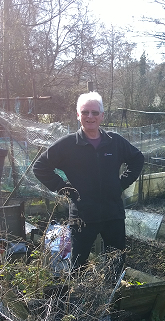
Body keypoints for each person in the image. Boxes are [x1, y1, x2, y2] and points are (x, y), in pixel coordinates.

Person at [33, 91, 144, 271]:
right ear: (78, 115)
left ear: (102, 116)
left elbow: (137, 159)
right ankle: (79, 298)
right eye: (85, 112)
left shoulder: (114, 141)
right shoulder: (68, 144)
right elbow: (40, 167)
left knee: (116, 263)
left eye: (94, 112)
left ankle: (112, 297)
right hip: (82, 215)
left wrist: (121, 183)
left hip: (112, 213)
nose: (89, 117)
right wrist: (64, 188)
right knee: (78, 265)